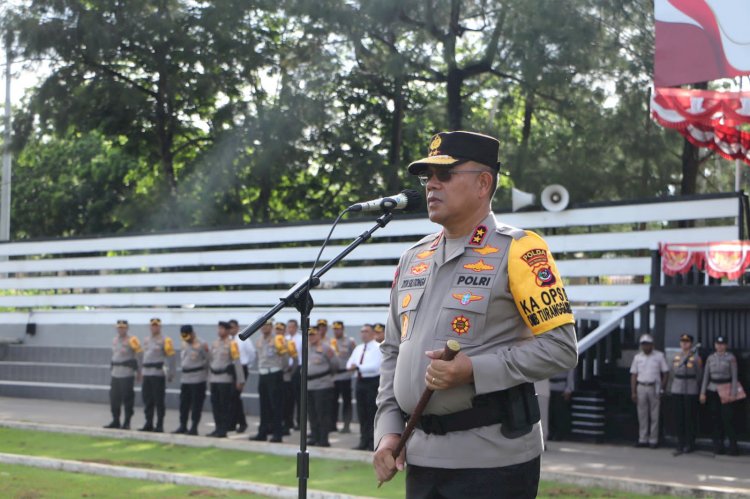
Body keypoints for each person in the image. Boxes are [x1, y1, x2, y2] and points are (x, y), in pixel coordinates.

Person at [373, 131, 578, 498]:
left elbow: (560, 348)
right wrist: (388, 431)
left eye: (445, 174)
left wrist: (473, 370)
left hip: (493, 463)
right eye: (427, 176)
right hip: (421, 457)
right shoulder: (413, 258)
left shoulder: (519, 250)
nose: (432, 185)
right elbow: (392, 351)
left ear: (484, 183)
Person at [700, 336, 740, 456]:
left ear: (726, 345)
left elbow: (734, 377)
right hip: (713, 388)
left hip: (726, 388)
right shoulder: (711, 358)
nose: (720, 346)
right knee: (715, 418)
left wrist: (733, 393)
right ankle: (718, 445)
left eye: (722, 344)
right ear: (715, 345)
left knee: (727, 419)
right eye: (718, 344)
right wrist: (702, 392)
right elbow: (706, 376)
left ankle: (733, 447)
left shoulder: (730, 358)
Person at [251, 319, 289, 442]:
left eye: (266, 325)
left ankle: (277, 433)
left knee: (276, 406)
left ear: (271, 326)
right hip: (263, 374)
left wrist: (282, 370)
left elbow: (285, 358)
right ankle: (263, 432)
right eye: (262, 326)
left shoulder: (278, 339)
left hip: (274, 373)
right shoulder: (259, 340)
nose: (264, 328)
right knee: (264, 406)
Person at [346, 323, 382, 451]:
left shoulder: (379, 347)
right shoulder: (358, 348)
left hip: (372, 382)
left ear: (373, 333)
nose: (363, 334)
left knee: (372, 413)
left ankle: (373, 442)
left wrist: (358, 367)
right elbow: (349, 363)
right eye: (362, 331)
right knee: (362, 413)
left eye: (366, 331)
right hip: (360, 381)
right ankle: (363, 441)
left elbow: (376, 366)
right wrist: (355, 367)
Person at [629, 333, 669, 448]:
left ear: (652, 345)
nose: (645, 347)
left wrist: (662, 388)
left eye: (647, 344)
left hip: (654, 386)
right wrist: (633, 391)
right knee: (642, 414)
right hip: (641, 386)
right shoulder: (638, 357)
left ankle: (653, 440)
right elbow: (633, 375)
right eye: (643, 345)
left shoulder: (659, 356)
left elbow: (665, 372)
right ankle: (643, 439)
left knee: (654, 415)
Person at [207, 321, 245, 438]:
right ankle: (217, 428)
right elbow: (211, 361)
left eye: (222, 329)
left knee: (224, 406)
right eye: (219, 328)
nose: (220, 331)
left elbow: (237, 362)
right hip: (214, 378)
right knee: (215, 406)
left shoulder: (232, 344)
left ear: (228, 331)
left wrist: (240, 380)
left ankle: (223, 429)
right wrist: (209, 378)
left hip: (225, 379)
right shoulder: (214, 344)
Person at [139, 318, 176, 433]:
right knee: (147, 399)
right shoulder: (146, 340)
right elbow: (143, 357)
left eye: (156, 326)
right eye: (152, 325)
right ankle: (148, 422)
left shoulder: (166, 340)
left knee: (159, 400)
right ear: (150, 327)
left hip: (157, 373)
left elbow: (171, 357)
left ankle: (159, 424)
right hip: (147, 373)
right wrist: (140, 371)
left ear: (160, 327)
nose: (154, 327)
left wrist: (171, 372)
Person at [104, 320, 142, 430]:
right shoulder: (115, 340)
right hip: (115, 373)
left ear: (127, 328)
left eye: (123, 327)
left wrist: (139, 371)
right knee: (114, 399)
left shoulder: (132, 340)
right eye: (119, 327)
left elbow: (139, 354)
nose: (121, 329)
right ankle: (116, 420)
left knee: (127, 399)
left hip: (127, 374)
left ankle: (127, 422)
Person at [173, 325, 208, 436]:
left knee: (196, 405)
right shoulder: (184, 343)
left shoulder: (202, 344)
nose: (186, 339)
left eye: (187, 336)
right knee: (184, 404)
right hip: (185, 378)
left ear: (193, 333)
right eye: (184, 336)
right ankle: (183, 425)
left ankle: (194, 427)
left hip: (198, 378)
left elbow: (208, 360)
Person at [670, 334, 702, 456]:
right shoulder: (676, 356)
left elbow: (699, 374)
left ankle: (690, 443)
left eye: (687, 342)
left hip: (691, 387)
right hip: (677, 388)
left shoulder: (696, 357)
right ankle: (680, 443)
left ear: (691, 344)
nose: (684, 344)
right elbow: (673, 372)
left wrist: (695, 386)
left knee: (689, 417)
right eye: (682, 341)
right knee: (679, 417)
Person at [306, 326, 338, 447]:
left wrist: (327, 377)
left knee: (322, 414)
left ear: (319, 335)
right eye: (309, 335)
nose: (311, 337)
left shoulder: (326, 348)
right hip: (309, 385)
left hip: (322, 384)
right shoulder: (306, 347)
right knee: (312, 414)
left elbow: (335, 364)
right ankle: (314, 436)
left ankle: (323, 439)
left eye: (313, 335)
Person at [229, 318, 256, 433]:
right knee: (232, 397)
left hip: (242, 367)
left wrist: (247, 365)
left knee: (236, 396)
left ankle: (242, 423)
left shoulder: (243, 338)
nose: (231, 330)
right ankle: (232, 422)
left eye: (233, 327)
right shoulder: (229, 340)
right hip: (232, 368)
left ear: (237, 327)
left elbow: (251, 354)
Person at [330, 320, 356, 433]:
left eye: (338, 329)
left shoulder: (350, 341)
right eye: (334, 329)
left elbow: (355, 356)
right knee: (333, 402)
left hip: (346, 375)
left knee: (346, 401)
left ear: (342, 329)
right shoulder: (331, 342)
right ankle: (332, 424)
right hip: (334, 376)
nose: (336, 331)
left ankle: (346, 425)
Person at [276, 321, 298, 435]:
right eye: (277, 329)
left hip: (285, 375)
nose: (279, 332)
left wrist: (291, 371)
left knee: (287, 403)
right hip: (274, 376)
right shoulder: (272, 342)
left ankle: (287, 424)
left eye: (281, 330)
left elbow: (295, 359)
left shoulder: (289, 342)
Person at [547, 369, 575, 441]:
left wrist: (569, 388)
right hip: (547, 386)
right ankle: (550, 433)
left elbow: (571, 372)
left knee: (559, 413)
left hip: (561, 387)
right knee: (549, 412)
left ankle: (559, 434)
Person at [286, 319, 303, 430]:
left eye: (292, 327)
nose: (290, 329)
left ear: (296, 327)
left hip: (298, 368)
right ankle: (288, 421)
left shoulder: (301, 339)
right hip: (287, 368)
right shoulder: (285, 339)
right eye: (289, 327)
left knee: (298, 397)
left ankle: (300, 421)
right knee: (288, 397)